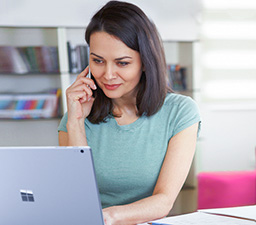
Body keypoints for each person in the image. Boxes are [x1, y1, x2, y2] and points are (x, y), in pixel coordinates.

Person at [58, 1, 201, 224]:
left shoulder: (180, 112)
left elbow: (163, 201)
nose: (108, 74)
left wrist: (107, 217)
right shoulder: (77, 113)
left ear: (145, 62)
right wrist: (75, 123)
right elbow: (75, 196)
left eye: (122, 63)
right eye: (98, 61)